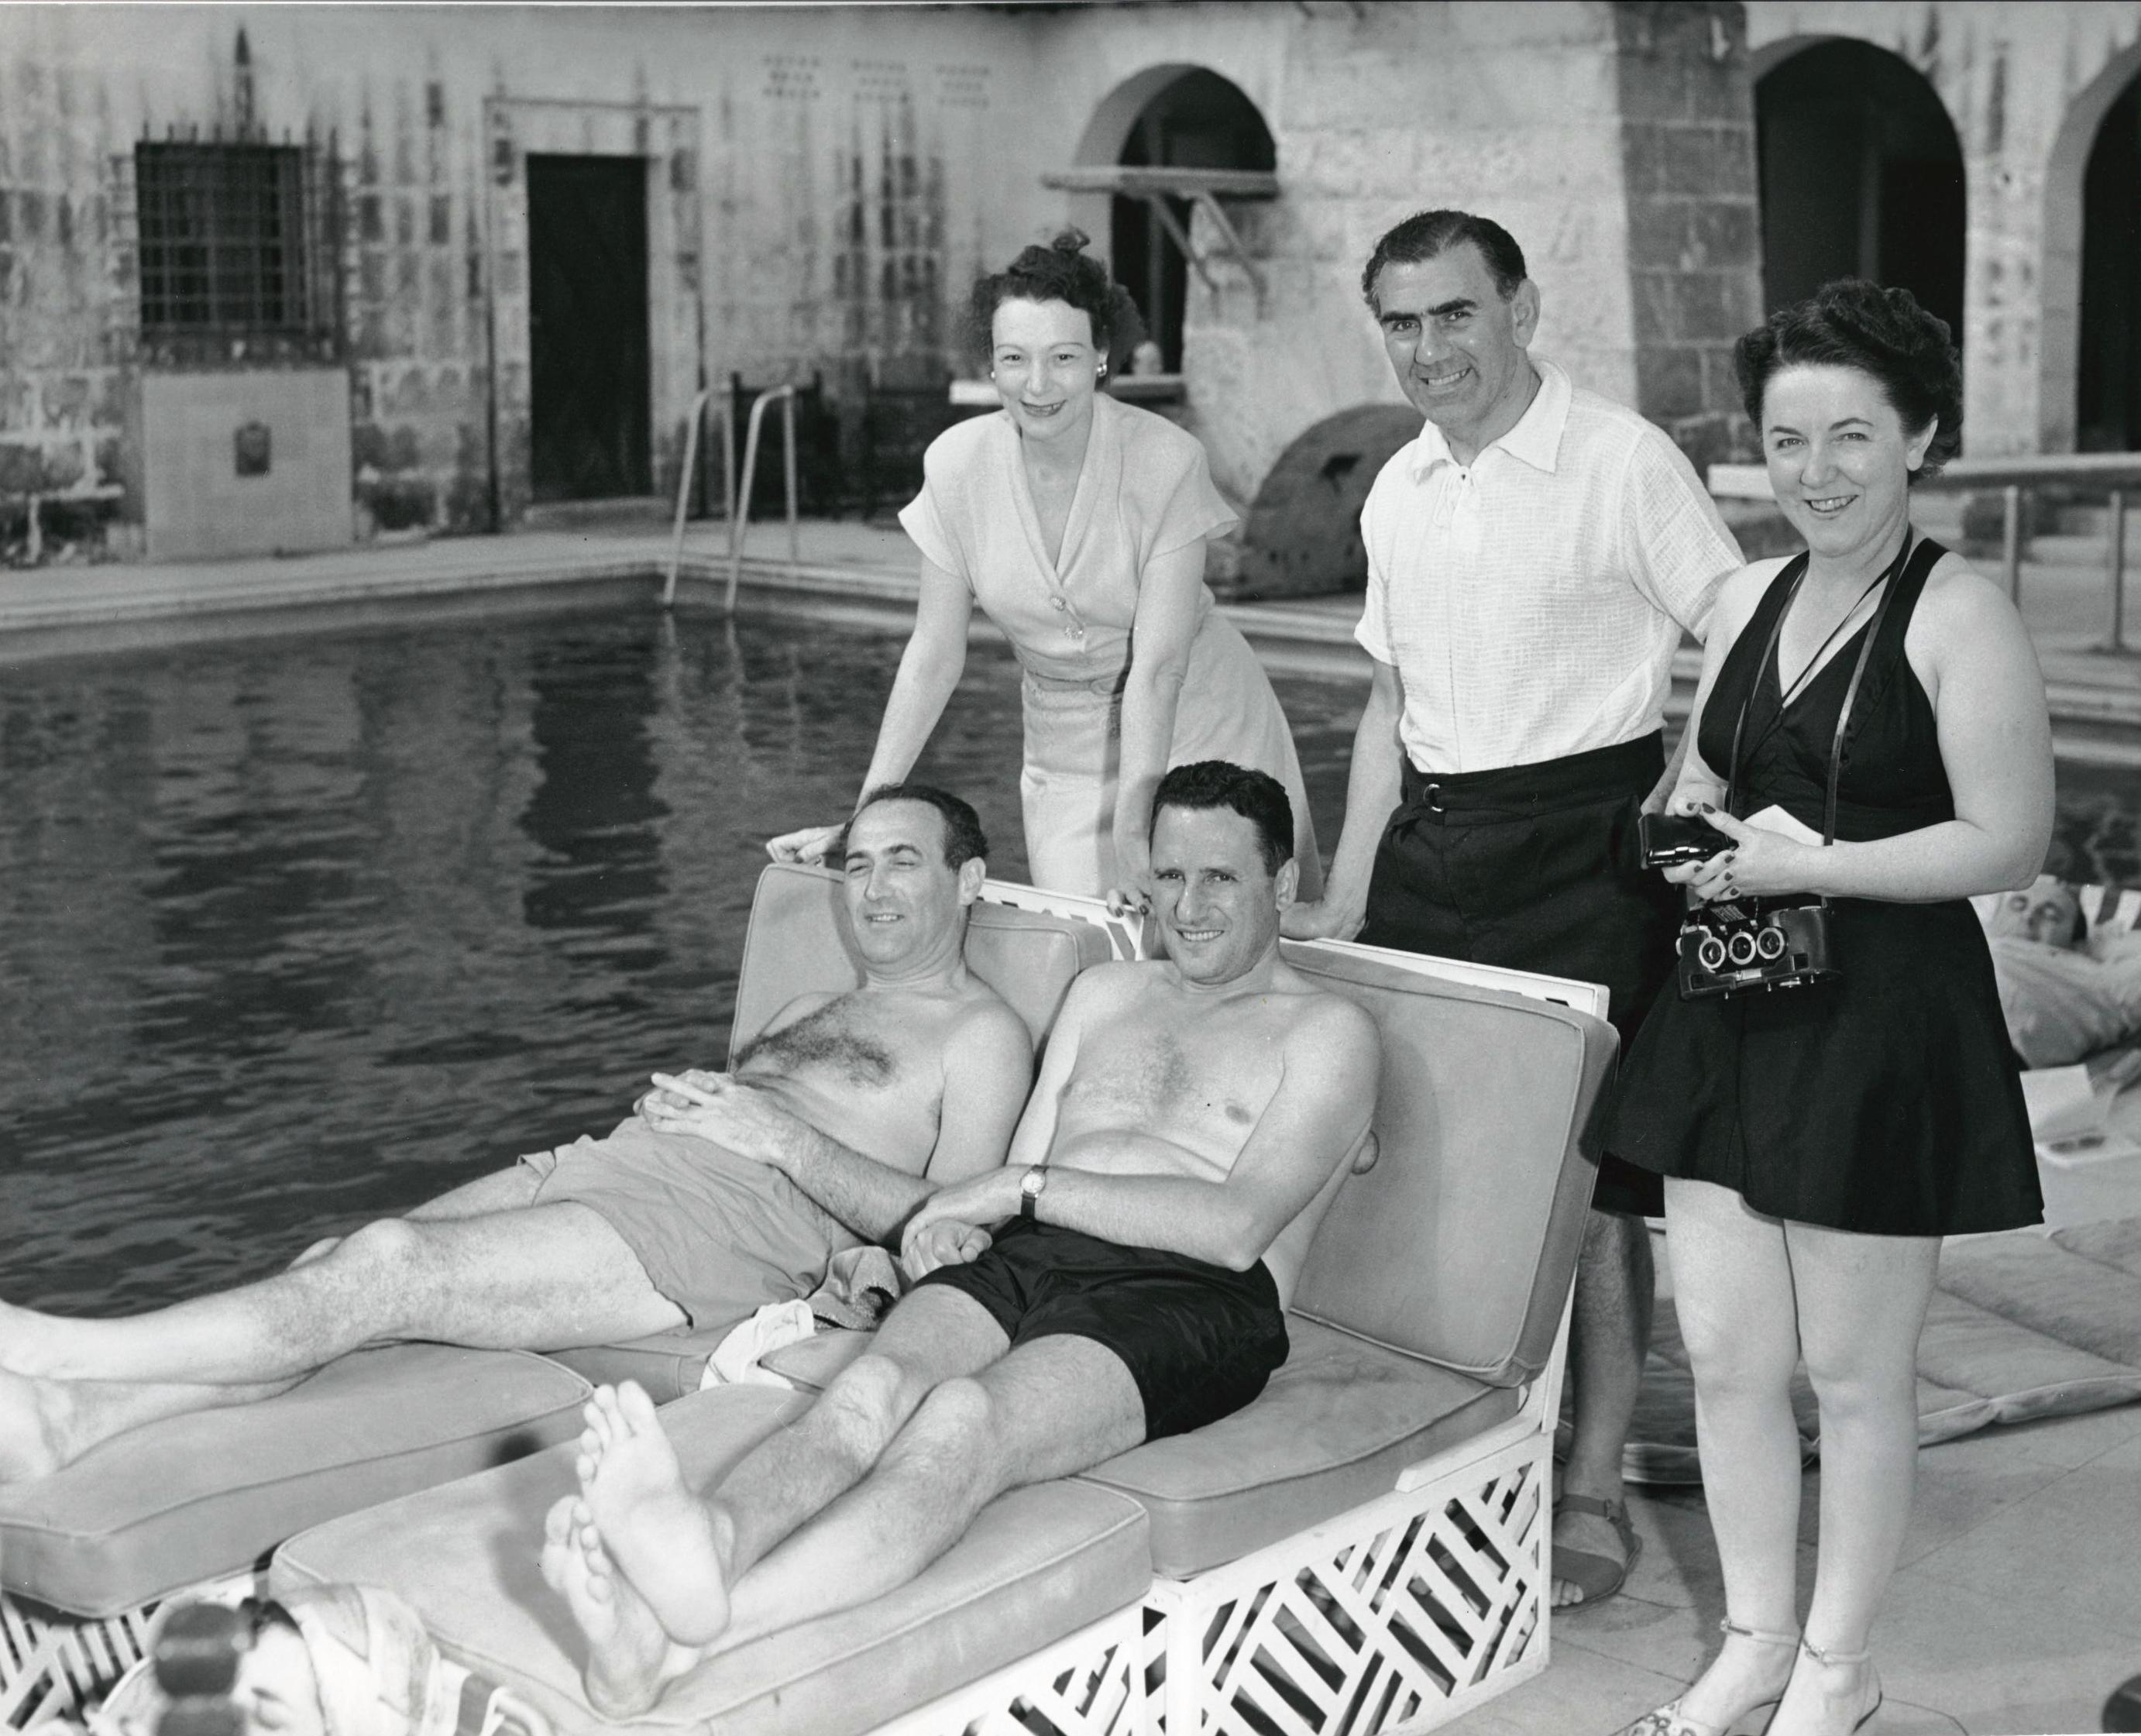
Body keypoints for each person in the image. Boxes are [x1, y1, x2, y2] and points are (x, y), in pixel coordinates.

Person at [538, 761, 1381, 1717]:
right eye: (1168, 876)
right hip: (1031, 1251)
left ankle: (689, 1643)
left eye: (1219, 879)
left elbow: (1235, 1230)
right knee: (866, 1390)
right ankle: (705, 1545)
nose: (1185, 906)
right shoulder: (1108, 995)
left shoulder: (1327, 1031)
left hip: (1188, 1293)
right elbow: (1009, 1183)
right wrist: (953, 1228)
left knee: (962, 1425)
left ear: (1279, 886)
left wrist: (1018, 1189)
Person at [0, 786, 1033, 1481]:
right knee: (336, 1265)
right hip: (617, 1165)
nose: (878, 889)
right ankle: (78, 1427)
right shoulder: (816, 996)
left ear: (970, 880)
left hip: (730, 1221)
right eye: (858, 867)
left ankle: (60, 1352)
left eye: (908, 863)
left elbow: (953, 1234)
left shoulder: (980, 1033)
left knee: (388, 1264)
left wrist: (780, 1138)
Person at [1605, 281, 2050, 1736]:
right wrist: (1687, 821)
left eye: (1850, 433)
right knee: (1729, 1356)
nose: (1817, 470)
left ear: (1916, 435)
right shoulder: (1744, 596)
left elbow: (2006, 838)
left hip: (1877, 1019)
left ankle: (1837, 1670)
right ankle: (1750, 1641)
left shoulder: (1959, 610)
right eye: (1787, 439)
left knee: (1851, 1376)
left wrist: (1815, 865)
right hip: (1732, 996)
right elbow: (1702, 769)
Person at [1281, 209, 1743, 1607]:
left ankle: (1588, 1490)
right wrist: (1347, 888)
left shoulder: (1618, 459)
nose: (1428, 350)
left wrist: (1688, 775)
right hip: (1437, 841)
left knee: (1590, 1195)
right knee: (1418, 1163)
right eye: (1401, 325)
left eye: (1453, 315)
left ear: (1521, 309)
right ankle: (1446, 1452)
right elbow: (1386, 700)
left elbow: (1735, 626)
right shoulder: (1398, 488)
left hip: (1588, 850)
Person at [767, 229, 1320, 902]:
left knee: (1224, 930)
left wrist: (1136, 821)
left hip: (1203, 718)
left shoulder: (1167, 460)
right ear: (991, 366)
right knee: (1090, 942)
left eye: (1062, 356)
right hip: (1064, 747)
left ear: (1101, 357)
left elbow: (1159, 665)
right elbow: (933, 654)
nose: (1037, 384)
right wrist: (867, 816)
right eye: (1014, 358)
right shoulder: (955, 465)